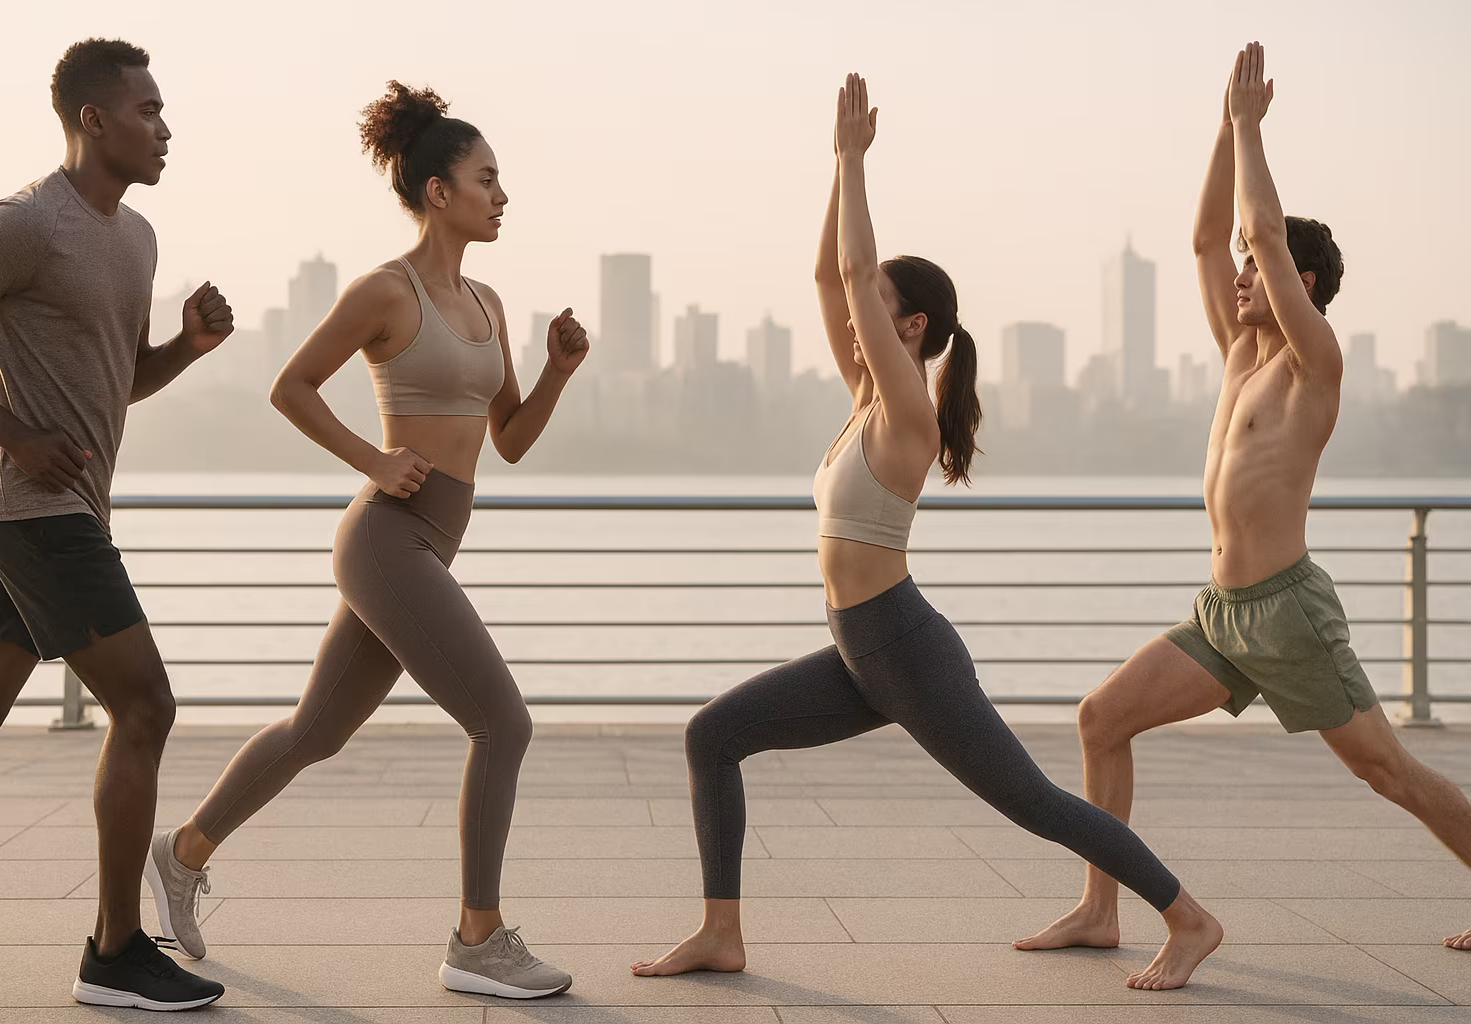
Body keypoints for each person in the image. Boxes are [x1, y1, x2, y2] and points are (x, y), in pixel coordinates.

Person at [631, 74, 1223, 992]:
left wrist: (855, 161)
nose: (857, 315)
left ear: (910, 327)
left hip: (905, 650)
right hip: (858, 652)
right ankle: (720, 932)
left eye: (881, 309)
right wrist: (835, 168)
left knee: (1032, 801)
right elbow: (833, 277)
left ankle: (1186, 918)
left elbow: (856, 280)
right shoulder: (867, 397)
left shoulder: (909, 408)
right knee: (715, 735)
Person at [1017, 41, 1471, 957]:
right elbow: (1207, 238)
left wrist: (1253, 129)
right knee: (1102, 717)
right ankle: (1101, 910)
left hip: (1291, 618)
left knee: (1389, 772)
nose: (1239, 274)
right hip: (1224, 615)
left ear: (1301, 286)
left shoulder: (1315, 364)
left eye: (1257, 269)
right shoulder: (1240, 351)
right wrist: (1224, 133)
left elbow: (1260, 233)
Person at [144, 80, 590, 999]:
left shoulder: (490, 300)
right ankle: (478, 938)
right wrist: (374, 461)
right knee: (502, 721)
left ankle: (181, 853)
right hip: (387, 539)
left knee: (316, 731)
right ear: (438, 191)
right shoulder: (385, 291)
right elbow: (292, 385)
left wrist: (557, 371)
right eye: (487, 179)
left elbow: (507, 440)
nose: (503, 196)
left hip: (435, 536)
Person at [0, 39, 232, 1011]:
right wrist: (12, 431)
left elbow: (122, 379)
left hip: (53, 510)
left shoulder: (136, 237)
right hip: (35, 512)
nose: (166, 127)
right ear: (92, 120)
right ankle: (114, 949)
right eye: (147, 110)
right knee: (145, 706)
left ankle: (115, 950)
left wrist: (186, 347)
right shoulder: (27, 222)